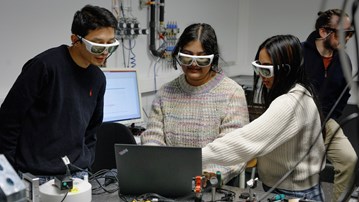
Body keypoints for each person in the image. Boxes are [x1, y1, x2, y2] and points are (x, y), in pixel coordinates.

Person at [0, 5, 119, 183]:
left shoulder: (98, 78)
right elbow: (8, 122)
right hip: (35, 175)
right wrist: (8, 175)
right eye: (97, 45)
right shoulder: (44, 67)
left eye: (111, 45)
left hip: (77, 175)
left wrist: (85, 162)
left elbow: (92, 129)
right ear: (75, 40)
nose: (104, 52)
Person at [202, 34, 326, 201]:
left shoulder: (290, 104)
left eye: (267, 69)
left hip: (294, 193)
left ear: (287, 69)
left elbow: (243, 141)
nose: (261, 75)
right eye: (258, 66)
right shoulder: (299, 92)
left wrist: (196, 156)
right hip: (286, 188)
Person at [140, 23, 250, 184]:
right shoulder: (166, 92)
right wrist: (157, 163)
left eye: (202, 58)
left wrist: (209, 176)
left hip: (213, 186)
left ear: (213, 59)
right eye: (187, 56)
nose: (193, 64)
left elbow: (232, 148)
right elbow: (153, 135)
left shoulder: (232, 93)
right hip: (170, 180)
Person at [301, 8, 357, 201]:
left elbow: (344, 92)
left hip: (326, 121)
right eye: (343, 33)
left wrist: (331, 118)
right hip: (297, 123)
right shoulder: (299, 54)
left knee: (349, 160)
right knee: (303, 170)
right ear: (324, 32)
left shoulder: (344, 61)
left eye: (351, 33)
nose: (348, 38)